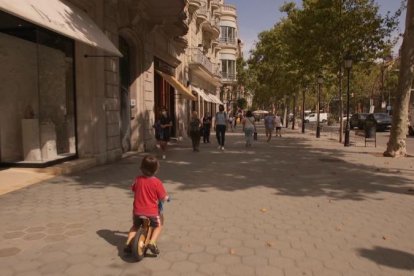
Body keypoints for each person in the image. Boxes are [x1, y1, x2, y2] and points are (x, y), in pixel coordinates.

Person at [125, 155, 169, 255]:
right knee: (159, 224)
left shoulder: (137, 179)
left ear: (141, 168)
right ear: (156, 170)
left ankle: (128, 243)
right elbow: (163, 197)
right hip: (151, 213)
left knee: (135, 227)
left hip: (137, 212)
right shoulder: (157, 182)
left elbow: (132, 188)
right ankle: (152, 243)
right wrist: (167, 198)